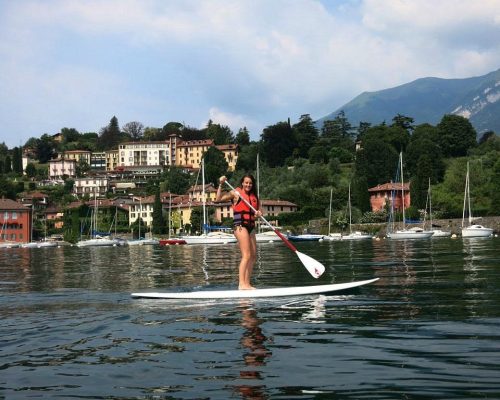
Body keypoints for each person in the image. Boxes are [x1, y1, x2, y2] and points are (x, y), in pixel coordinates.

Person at [216, 174, 262, 290]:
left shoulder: (254, 196)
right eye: (246, 182)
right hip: (240, 226)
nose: (248, 185)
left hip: (251, 226)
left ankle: (247, 284)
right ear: (242, 183)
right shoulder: (235, 193)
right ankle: (241, 284)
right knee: (246, 255)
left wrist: (259, 213)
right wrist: (221, 184)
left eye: (250, 183)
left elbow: (260, 210)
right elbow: (218, 199)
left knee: (253, 256)